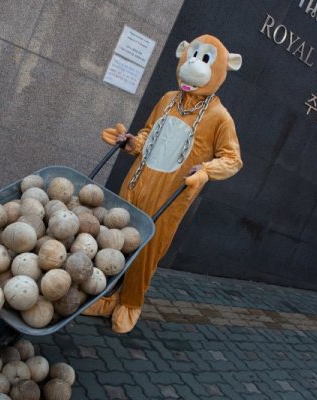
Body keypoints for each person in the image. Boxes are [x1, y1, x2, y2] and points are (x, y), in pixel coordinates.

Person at [83, 34, 244, 333]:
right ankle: (106, 296)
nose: (195, 64)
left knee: (146, 251)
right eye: (193, 55)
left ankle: (130, 304)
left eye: (205, 59)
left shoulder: (220, 117)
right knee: (115, 239)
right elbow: (148, 134)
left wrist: (206, 170)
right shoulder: (167, 100)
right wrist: (131, 143)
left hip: (170, 197)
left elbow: (233, 159)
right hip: (136, 182)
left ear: (223, 68)